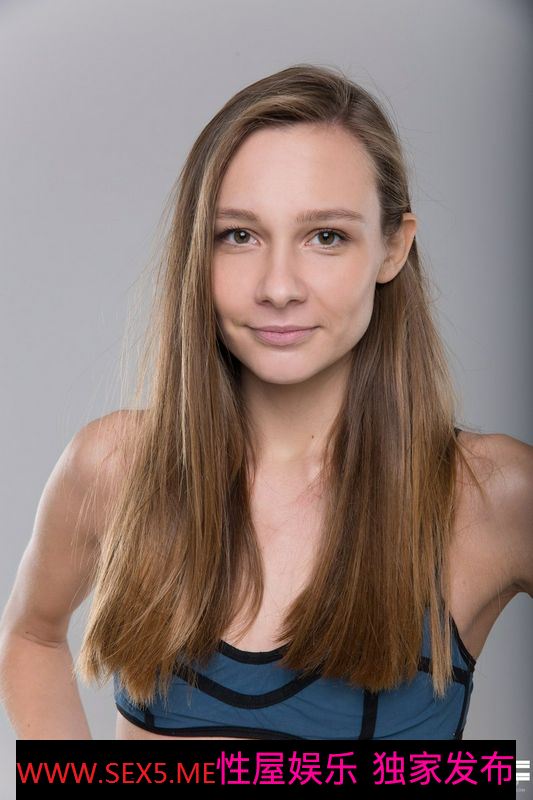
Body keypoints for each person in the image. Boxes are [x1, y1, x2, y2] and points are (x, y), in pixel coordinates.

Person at [0, 63, 531, 741]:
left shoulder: (491, 494)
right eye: (239, 235)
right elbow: (32, 638)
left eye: (326, 236)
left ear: (392, 249)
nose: (279, 287)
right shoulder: (114, 466)